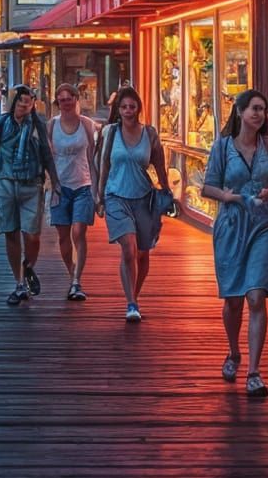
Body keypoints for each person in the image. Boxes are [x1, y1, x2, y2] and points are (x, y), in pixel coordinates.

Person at [201, 89, 268, 396]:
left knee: (255, 296)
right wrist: (231, 196)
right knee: (234, 300)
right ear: (239, 111)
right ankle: (234, 351)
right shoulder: (222, 147)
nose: (258, 114)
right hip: (232, 225)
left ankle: (254, 370)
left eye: (262, 110)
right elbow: (208, 187)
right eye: (253, 108)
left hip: (264, 224)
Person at [95, 86, 174, 322]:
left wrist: (166, 190)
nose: (128, 111)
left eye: (132, 106)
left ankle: (134, 297)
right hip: (116, 196)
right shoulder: (110, 132)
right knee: (128, 248)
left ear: (139, 108)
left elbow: (159, 163)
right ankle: (130, 302)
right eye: (124, 107)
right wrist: (99, 196)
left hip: (144, 198)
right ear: (118, 110)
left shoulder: (149, 133)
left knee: (142, 253)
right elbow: (103, 165)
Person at [0, 87, 60, 307]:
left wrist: (55, 180)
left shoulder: (38, 125)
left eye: (28, 103)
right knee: (11, 231)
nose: (24, 106)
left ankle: (28, 266)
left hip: (31, 183)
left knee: (32, 235)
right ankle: (19, 283)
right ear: (13, 103)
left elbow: (46, 153)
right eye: (20, 102)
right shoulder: (2, 123)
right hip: (6, 182)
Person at [48, 84, 99, 300]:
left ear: (76, 99)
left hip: (83, 184)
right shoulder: (52, 125)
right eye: (62, 100)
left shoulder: (87, 125)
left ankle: (77, 279)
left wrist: (98, 190)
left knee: (78, 231)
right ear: (57, 103)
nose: (66, 103)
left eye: (69, 99)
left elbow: (95, 157)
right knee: (63, 236)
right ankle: (71, 274)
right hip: (60, 186)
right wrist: (49, 186)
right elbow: (47, 158)